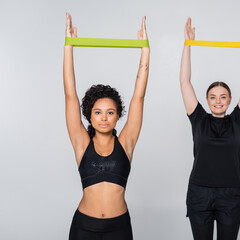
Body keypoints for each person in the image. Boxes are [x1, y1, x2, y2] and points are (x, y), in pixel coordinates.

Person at [63, 13, 150, 240]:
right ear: (89, 116)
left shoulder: (126, 142)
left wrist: (145, 50)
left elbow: (138, 98)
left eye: (110, 113)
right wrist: (69, 46)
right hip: (84, 227)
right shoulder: (81, 143)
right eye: (98, 112)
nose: (104, 118)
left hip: (119, 228)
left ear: (117, 116)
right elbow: (70, 95)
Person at [180, 18, 240, 240]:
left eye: (223, 97)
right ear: (207, 100)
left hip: (231, 194)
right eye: (213, 97)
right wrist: (188, 44)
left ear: (230, 100)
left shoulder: (237, 121)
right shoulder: (199, 119)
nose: (218, 101)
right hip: (199, 193)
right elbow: (184, 82)